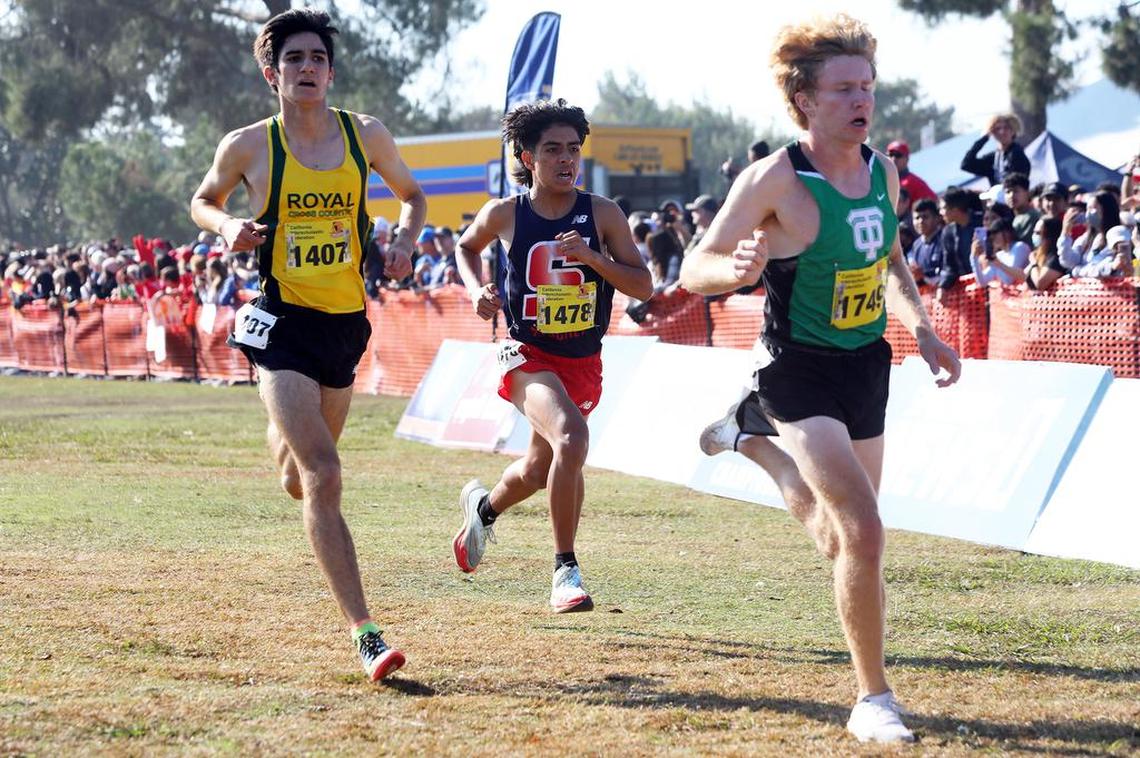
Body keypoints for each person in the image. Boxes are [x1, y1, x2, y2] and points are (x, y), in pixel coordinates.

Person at [678, 15, 960, 744]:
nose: (860, 100)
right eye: (842, 89)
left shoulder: (885, 172)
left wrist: (921, 328)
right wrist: (731, 273)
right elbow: (693, 268)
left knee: (840, 543)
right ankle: (874, 700)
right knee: (866, 531)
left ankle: (750, 441)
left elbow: (890, 263)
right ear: (803, 99)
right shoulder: (775, 178)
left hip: (867, 364)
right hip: (796, 369)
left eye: (867, 85)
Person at [189, 7, 425, 682]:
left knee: (299, 477)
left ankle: (281, 437)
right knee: (325, 474)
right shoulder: (249, 145)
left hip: (344, 325)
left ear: (331, 70)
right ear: (273, 73)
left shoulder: (366, 136)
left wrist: (406, 240)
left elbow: (412, 196)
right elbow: (202, 199)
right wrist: (225, 226)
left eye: (317, 58)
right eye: (293, 60)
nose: (307, 69)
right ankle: (368, 635)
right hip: (281, 322)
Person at [451, 98, 652, 613]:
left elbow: (643, 286)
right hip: (527, 354)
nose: (566, 159)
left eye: (573, 149)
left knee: (543, 467)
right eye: (553, 150)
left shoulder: (602, 213)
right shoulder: (506, 213)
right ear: (527, 157)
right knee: (572, 437)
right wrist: (477, 289)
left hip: (582, 360)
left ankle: (484, 510)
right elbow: (465, 247)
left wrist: (592, 258)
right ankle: (566, 571)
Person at [960, 113, 1031, 187]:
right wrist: (984, 138)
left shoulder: (1017, 154)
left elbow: (1018, 185)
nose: (1002, 132)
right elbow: (966, 164)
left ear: (1014, 131)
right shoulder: (993, 158)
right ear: (992, 132)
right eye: (997, 129)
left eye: (1006, 128)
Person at [970, 218, 1029, 286]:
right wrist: (974, 257)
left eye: (996, 233)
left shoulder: (1020, 247)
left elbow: (1009, 280)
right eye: (991, 235)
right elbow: (982, 282)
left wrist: (998, 264)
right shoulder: (999, 255)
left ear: (1007, 232)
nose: (993, 238)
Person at [1025, 216, 1067, 290]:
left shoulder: (1056, 258)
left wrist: (1034, 263)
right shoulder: (1040, 254)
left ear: (1049, 235)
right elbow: (1024, 276)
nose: (1034, 235)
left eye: (1038, 233)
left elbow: (1039, 284)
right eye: (1034, 232)